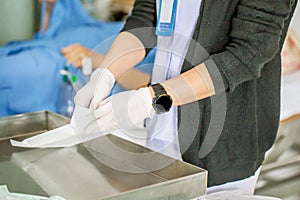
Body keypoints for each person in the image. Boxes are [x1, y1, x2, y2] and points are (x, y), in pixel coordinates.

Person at [74, 0, 297, 195]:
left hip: (222, 145)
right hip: (161, 129)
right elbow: (145, 16)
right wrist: (105, 73)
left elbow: (248, 53)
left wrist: (151, 99)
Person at [0, 0, 154, 117]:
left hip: (62, 69)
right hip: (45, 46)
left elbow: (152, 87)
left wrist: (96, 60)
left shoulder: (167, 54)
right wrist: (51, 9)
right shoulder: (142, 22)